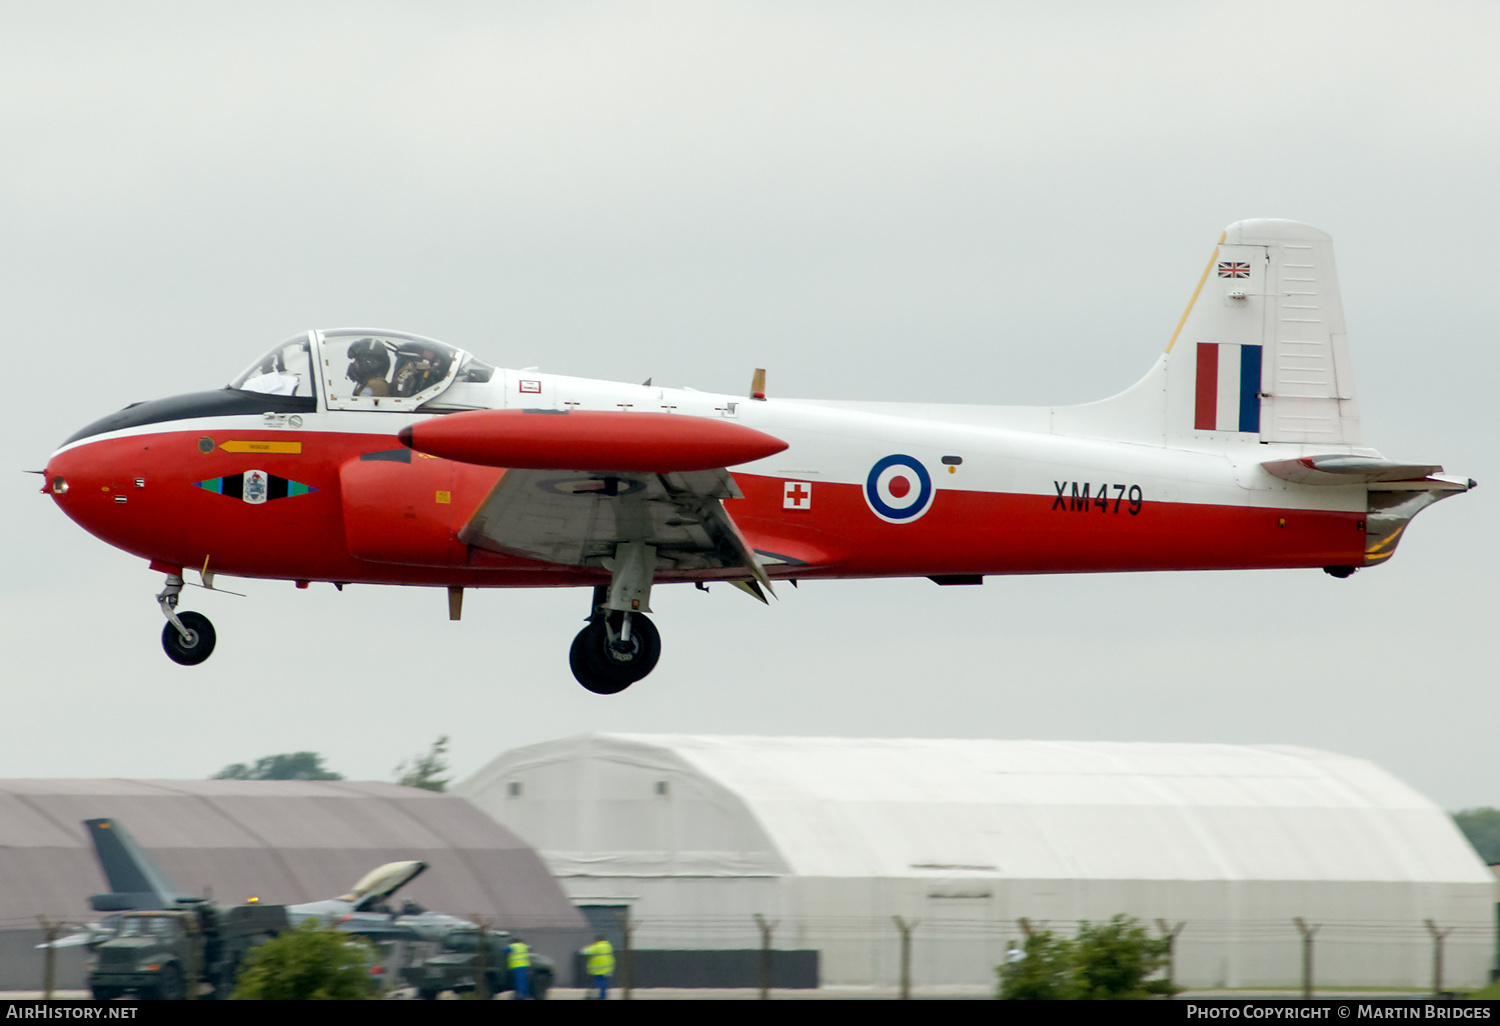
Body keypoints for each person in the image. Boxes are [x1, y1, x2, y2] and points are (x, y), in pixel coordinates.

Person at [581, 935, 615, 1000]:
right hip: (607, 968)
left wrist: (588, 946)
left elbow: (585, 951)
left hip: (599, 969)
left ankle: (597, 996)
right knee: (604, 983)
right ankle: (603, 996)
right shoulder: (608, 946)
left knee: (598, 983)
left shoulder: (597, 946)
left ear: (597, 940)